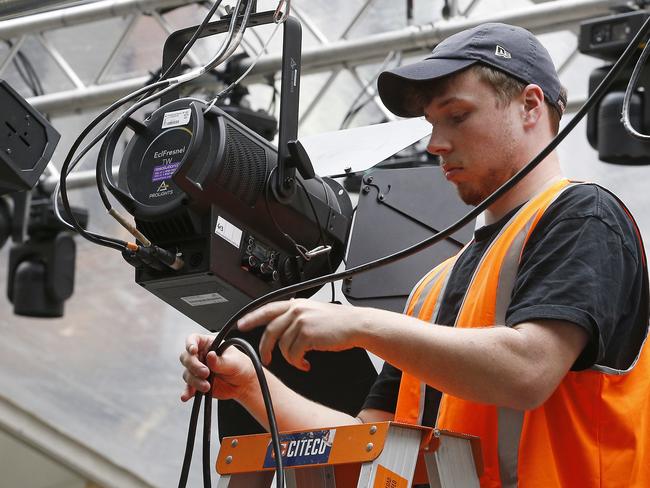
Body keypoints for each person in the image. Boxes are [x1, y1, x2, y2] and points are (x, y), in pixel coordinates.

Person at [180, 23, 649, 487]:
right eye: (431, 124)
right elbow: (368, 448)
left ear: (530, 105)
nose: (434, 144)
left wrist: (363, 326)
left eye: (457, 116)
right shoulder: (435, 286)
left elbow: (529, 371)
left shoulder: (585, 215)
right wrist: (250, 387)